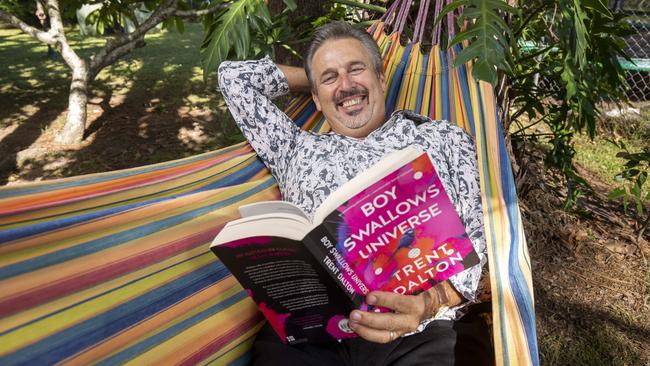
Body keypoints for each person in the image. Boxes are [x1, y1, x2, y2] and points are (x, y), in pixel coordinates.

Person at [218, 21, 493, 366]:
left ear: (381, 78)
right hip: (311, 335)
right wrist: (321, 82)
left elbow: (476, 242)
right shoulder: (293, 148)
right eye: (330, 77)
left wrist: (428, 304)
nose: (346, 85)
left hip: (415, 329)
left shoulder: (442, 137)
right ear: (315, 97)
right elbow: (233, 78)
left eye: (356, 70)